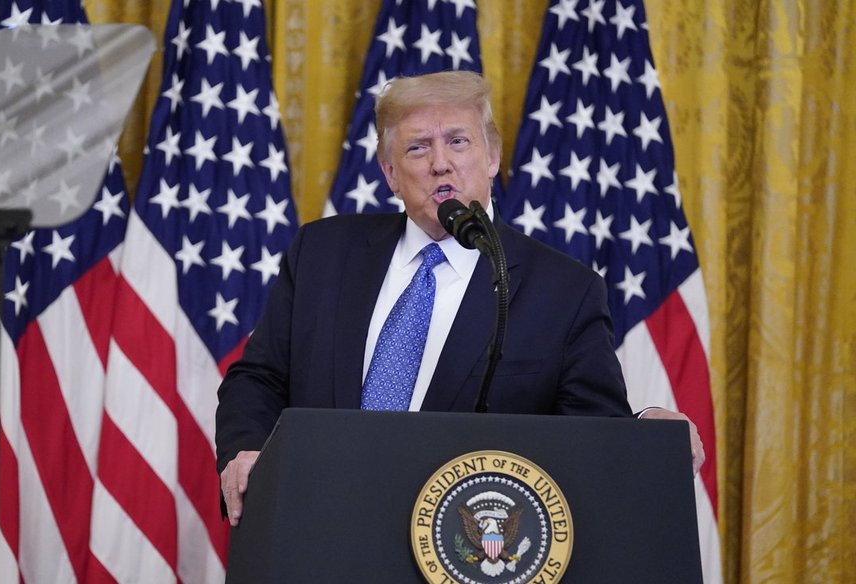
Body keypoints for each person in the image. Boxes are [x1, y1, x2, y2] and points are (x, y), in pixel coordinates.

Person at [215, 70, 704, 526]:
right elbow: (257, 378)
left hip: (464, 545)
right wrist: (249, 451)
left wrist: (644, 429)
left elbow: (589, 437)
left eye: (458, 141)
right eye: (417, 148)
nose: (440, 162)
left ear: (491, 157)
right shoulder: (322, 253)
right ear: (390, 173)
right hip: (317, 525)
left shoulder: (565, 292)